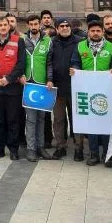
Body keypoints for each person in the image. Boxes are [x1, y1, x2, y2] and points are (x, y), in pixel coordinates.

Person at [70, 20, 112, 166]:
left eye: (98, 31)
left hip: (106, 90)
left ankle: (107, 155)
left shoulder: (111, 47)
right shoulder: (80, 46)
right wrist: (75, 70)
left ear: (102, 32)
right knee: (91, 123)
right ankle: (94, 154)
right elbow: (75, 62)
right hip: (87, 89)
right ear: (88, 32)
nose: (95, 33)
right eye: (93, 31)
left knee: (106, 122)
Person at [0, 15, 26, 160]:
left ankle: (13, 149)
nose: (3, 27)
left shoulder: (19, 41)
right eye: (0, 25)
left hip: (13, 86)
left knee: (13, 119)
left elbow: (21, 64)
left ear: (9, 26)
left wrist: (8, 79)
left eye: (5, 25)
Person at [22, 15, 52, 162]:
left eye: (36, 24)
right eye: (31, 24)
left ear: (40, 25)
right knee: (31, 119)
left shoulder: (48, 40)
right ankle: (31, 149)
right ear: (28, 25)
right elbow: (20, 60)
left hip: (42, 83)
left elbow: (50, 62)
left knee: (41, 117)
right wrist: (21, 74)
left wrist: (50, 79)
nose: (34, 26)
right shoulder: (23, 40)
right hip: (28, 83)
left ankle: (41, 147)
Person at [49, 18, 80, 160]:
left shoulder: (79, 42)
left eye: (67, 25)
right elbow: (49, 62)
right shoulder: (52, 42)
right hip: (57, 86)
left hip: (75, 87)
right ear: (56, 28)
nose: (65, 28)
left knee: (77, 118)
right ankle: (60, 146)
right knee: (58, 119)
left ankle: (79, 148)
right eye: (61, 26)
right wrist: (49, 79)